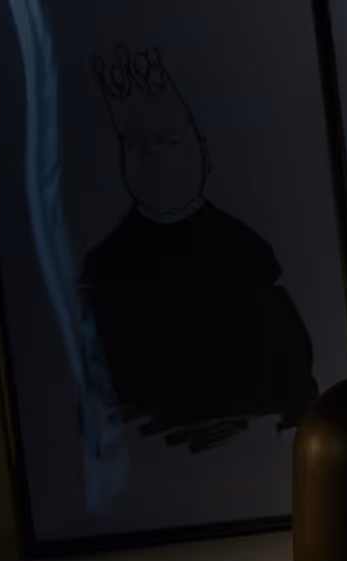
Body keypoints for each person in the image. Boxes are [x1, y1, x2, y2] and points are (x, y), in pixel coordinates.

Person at [80, 44, 318, 453]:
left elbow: (293, 374)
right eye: (132, 144)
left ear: (202, 150)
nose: (149, 155)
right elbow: (102, 400)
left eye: (166, 140)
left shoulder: (246, 252)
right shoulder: (107, 270)